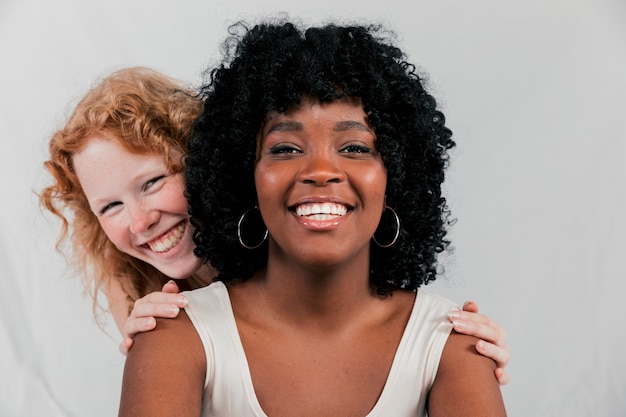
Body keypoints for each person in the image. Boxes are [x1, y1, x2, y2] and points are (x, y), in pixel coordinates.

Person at [118, 20, 507, 416]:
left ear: (395, 178)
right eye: (285, 149)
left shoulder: (451, 342)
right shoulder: (177, 334)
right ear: (244, 177)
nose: (321, 171)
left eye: (354, 147)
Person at [41, 67, 508, 380]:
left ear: (210, 164)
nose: (141, 220)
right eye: (110, 207)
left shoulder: (304, 241)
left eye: (153, 182)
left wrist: (449, 347)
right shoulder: (142, 296)